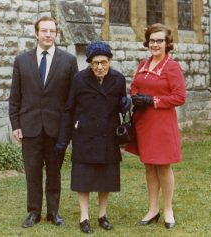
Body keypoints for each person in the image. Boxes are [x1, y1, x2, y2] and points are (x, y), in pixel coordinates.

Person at [9, 16, 78, 228]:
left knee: (54, 173)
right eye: (44, 31)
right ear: (36, 33)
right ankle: (34, 212)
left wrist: (69, 129)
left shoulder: (68, 61)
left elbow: (72, 99)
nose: (48, 35)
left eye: (52, 31)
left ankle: (54, 212)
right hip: (29, 128)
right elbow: (15, 97)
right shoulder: (22, 61)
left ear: (56, 34)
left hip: (56, 129)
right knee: (33, 172)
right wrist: (16, 125)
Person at [55, 41, 131, 234]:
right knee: (84, 178)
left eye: (104, 62)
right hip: (84, 136)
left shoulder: (118, 79)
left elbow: (120, 106)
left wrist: (125, 104)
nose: (99, 67)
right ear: (89, 63)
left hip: (108, 136)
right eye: (95, 62)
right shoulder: (79, 79)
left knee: (106, 178)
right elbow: (69, 109)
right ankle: (84, 216)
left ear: (110, 61)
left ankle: (102, 215)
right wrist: (64, 138)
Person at [125, 23, 186, 229]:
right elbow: (134, 85)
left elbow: (179, 97)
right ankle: (152, 209)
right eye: (152, 40)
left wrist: (153, 100)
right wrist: (135, 96)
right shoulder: (143, 64)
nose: (155, 44)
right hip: (144, 122)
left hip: (162, 123)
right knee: (149, 165)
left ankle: (167, 208)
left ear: (167, 43)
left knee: (163, 165)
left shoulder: (172, 67)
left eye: (159, 40)